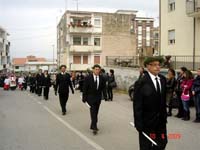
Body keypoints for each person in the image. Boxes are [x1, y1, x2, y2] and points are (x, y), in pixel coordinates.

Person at [133, 56, 168, 150]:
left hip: (160, 122)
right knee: (146, 146)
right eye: (155, 65)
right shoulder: (141, 82)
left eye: (159, 65)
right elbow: (137, 105)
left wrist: (164, 116)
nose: (158, 67)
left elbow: (163, 100)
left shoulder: (163, 80)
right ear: (148, 66)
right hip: (147, 123)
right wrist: (138, 124)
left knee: (162, 143)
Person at [82, 64, 107, 135]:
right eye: (96, 69)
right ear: (93, 70)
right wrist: (84, 97)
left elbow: (104, 88)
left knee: (96, 112)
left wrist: (105, 96)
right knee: (93, 112)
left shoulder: (102, 78)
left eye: (98, 69)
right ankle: (94, 127)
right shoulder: (88, 78)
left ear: (100, 70)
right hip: (90, 98)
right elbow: (85, 88)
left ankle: (93, 124)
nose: (97, 70)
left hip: (98, 98)